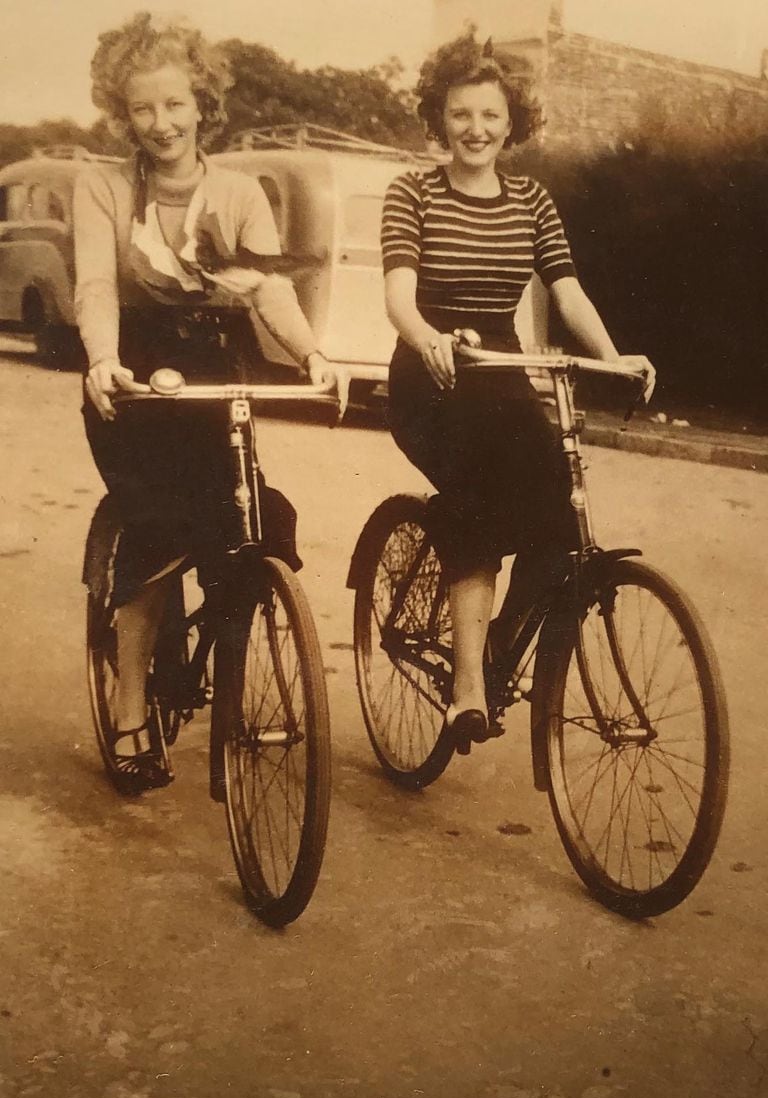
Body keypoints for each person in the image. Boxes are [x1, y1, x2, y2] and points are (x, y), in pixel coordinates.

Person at [76, 12, 343, 793]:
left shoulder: (238, 191)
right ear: (123, 115)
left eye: (174, 105)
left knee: (257, 523)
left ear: (202, 102)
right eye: (142, 110)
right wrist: (101, 360)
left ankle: (228, 701)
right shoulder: (103, 187)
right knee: (158, 529)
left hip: (212, 380)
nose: (161, 125)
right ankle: (130, 704)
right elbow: (96, 285)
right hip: (134, 377)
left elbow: (269, 290)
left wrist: (313, 354)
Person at [381, 31, 654, 754]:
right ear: (440, 119)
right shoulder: (412, 190)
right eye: (461, 115)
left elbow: (568, 293)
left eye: (490, 116)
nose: (475, 129)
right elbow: (399, 295)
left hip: (501, 372)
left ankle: (498, 649)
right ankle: (467, 689)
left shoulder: (532, 199)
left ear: (512, 122)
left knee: (562, 514)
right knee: (475, 504)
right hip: (430, 373)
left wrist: (612, 356)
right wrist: (427, 337)